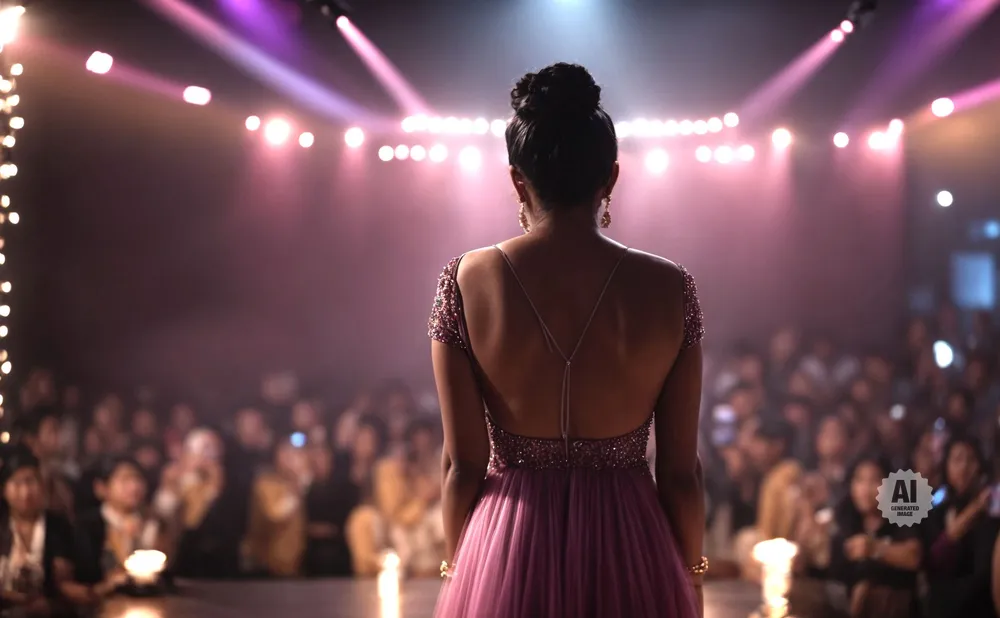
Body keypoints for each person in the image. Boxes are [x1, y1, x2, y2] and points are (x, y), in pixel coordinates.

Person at [429, 63, 703, 617]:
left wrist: (457, 567)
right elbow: (679, 474)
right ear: (612, 177)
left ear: (516, 179)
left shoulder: (465, 279)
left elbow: (462, 467)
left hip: (510, 542)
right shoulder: (670, 287)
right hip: (633, 546)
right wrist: (692, 573)